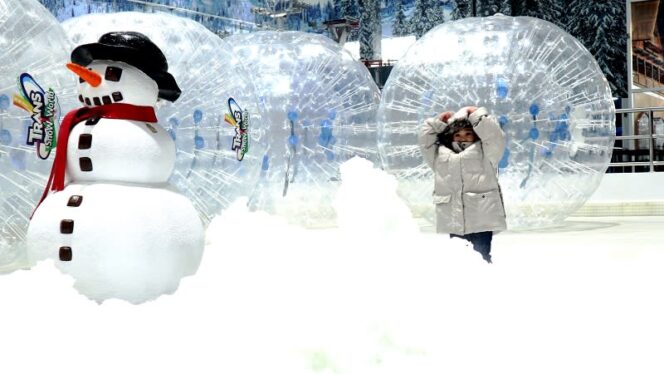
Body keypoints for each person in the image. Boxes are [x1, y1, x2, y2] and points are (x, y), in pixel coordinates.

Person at [418, 106, 507, 263]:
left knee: (482, 257)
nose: (462, 138)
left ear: (476, 135)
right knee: (459, 260)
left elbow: (495, 137)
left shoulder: (487, 153)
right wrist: (439, 122)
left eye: (468, 134)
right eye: (457, 134)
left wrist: (477, 115)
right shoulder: (439, 155)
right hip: (454, 218)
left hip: (482, 218)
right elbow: (425, 140)